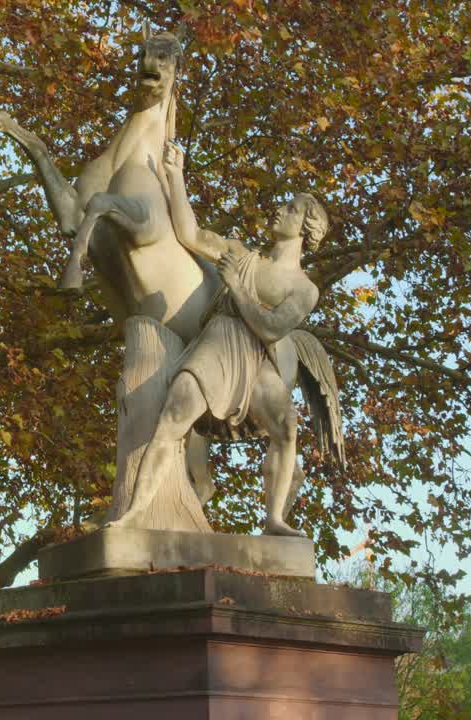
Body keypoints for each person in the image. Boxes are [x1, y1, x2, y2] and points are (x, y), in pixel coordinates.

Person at [114, 149, 330, 535]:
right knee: (172, 419)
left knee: (287, 428)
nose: (279, 209)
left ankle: (275, 520)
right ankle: (136, 514)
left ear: (306, 228)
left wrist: (238, 289)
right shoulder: (238, 253)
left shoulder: (303, 288)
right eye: (283, 204)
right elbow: (189, 234)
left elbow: (270, 329)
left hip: (257, 356)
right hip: (218, 341)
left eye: (292, 208)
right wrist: (175, 173)